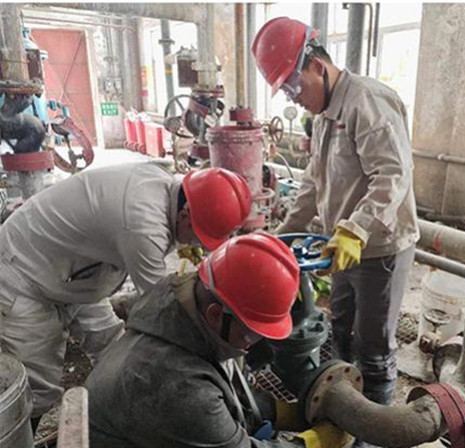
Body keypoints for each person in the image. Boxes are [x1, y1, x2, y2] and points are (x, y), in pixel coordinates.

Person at [0, 162, 252, 426]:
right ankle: (22, 436)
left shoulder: (165, 187)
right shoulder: (143, 225)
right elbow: (163, 308)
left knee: (112, 346)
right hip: (23, 274)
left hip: (72, 270)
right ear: (186, 212)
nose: (193, 243)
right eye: (196, 235)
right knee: (37, 390)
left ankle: (117, 416)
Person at [253, 17, 419, 407]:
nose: (293, 98)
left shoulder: (366, 101)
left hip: (378, 248)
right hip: (341, 246)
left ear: (316, 65)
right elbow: (313, 185)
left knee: (374, 347)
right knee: (340, 328)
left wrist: (356, 229)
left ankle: (374, 424)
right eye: (285, 91)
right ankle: (344, 401)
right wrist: (279, 238)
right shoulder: (325, 116)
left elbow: (392, 174)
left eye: (293, 85)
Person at [86, 232, 352, 448]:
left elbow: (228, 386)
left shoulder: (183, 304)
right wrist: (314, 443)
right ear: (216, 314)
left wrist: (287, 413)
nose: (251, 344)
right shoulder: (181, 387)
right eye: (251, 333)